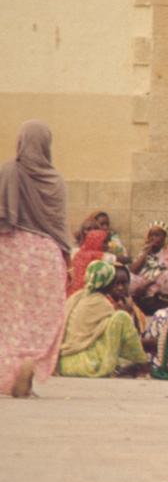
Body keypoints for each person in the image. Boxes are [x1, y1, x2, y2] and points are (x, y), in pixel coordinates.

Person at [0, 120, 75, 397]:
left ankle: (8, 377)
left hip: (7, 253)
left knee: (7, 321)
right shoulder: (55, 180)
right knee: (39, 320)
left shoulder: (9, 170)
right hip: (44, 257)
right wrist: (68, 264)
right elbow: (60, 227)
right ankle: (28, 368)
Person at [57, 260, 151, 378]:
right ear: (108, 283)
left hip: (64, 364)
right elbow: (115, 335)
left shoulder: (77, 296)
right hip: (86, 364)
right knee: (121, 318)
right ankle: (143, 364)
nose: (119, 287)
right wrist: (125, 312)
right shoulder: (102, 303)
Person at [128, 221, 168, 315]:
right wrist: (147, 251)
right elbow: (133, 270)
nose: (154, 239)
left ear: (165, 238)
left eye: (158, 235)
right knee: (128, 277)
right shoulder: (145, 251)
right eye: (151, 236)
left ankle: (166, 306)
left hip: (159, 285)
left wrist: (147, 283)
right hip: (144, 285)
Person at [68, 229, 109, 295]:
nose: (107, 246)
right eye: (104, 243)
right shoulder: (95, 254)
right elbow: (117, 259)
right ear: (96, 242)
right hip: (83, 292)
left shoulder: (80, 253)